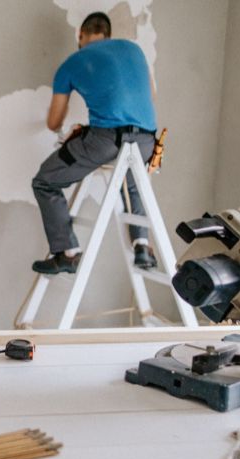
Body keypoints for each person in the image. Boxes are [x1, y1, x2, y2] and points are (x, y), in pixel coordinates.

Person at [31, 11, 159, 274]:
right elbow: (151, 95)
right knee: (132, 182)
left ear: (80, 35)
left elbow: (54, 123)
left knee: (44, 181)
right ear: (108, 35)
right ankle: (142, 245)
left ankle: (67, 253)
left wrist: (71, 127)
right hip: (147, 140)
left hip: (105, 141)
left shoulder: (72, 62)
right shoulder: (134, 50)